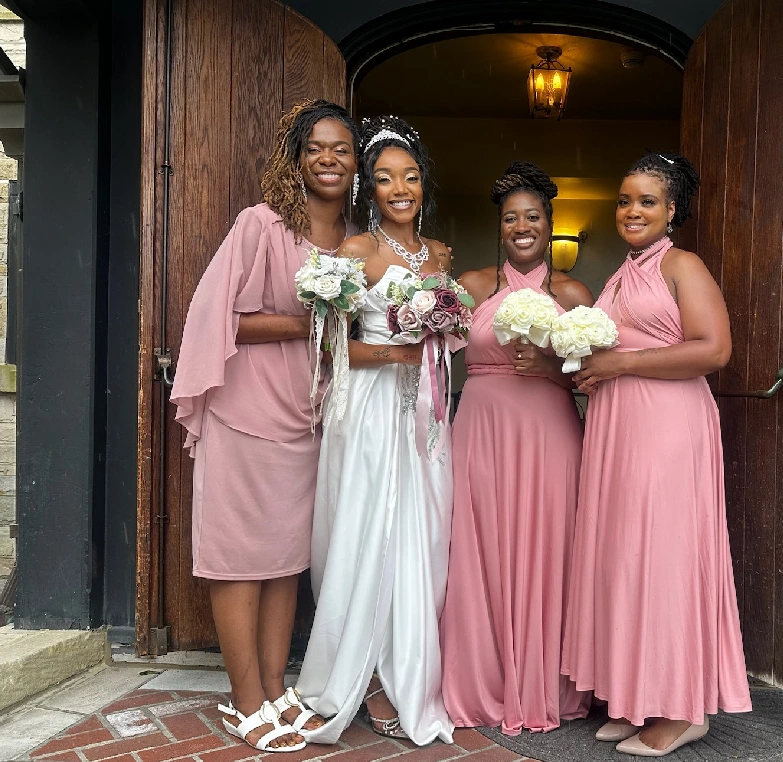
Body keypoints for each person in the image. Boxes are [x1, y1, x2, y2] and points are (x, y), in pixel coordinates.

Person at [170, 99, 360, 753]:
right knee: (238, 563)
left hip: (307, 421)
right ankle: (244, 702)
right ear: (297, 159)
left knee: (284, 563)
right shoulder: (262, 225)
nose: (328, 159)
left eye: (340, 148)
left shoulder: (354, 241)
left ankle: (276, 690)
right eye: (316, 148)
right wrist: (318, 315)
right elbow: (221, 316)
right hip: (246, 415)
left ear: (355, 161)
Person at [561, 152, 753, 757]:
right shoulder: (621, 274)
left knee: (664, 556)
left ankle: (681, 708)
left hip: (668, 427)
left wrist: (622, 363)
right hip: (620, 427)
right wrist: (591, 372)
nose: (632, 210)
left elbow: (714, 349)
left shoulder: (681, 264)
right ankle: (635, 695)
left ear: (672, 210)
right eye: (624, 199)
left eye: (647, 200)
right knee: (625, 555)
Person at [295, 115, 456, 747]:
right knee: (368, 530)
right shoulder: (355, 253)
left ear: (423, 186)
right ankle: (362, 678)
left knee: (424, 535)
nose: (399, 189)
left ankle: (407, 667)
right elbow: (339, 349)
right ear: (371, 186)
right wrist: (401, 355)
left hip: (424, 412)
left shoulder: (440, 254)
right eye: (386, 177)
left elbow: (447, 339)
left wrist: (441, 340)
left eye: (410, 177)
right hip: (368, 409)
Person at [441, 162, 593, 735]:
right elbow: (428, 350)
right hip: (481, 430)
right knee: (479, 547)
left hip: (550, 434)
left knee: (549, 546)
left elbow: (596, 377)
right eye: (511, 218)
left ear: (551, 225)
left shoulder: (573, 292)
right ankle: (483, 681)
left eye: (533, 217)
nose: (522, 226)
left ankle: (547, 684)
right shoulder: (476, 286)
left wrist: (554, 366)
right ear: (499, 227)